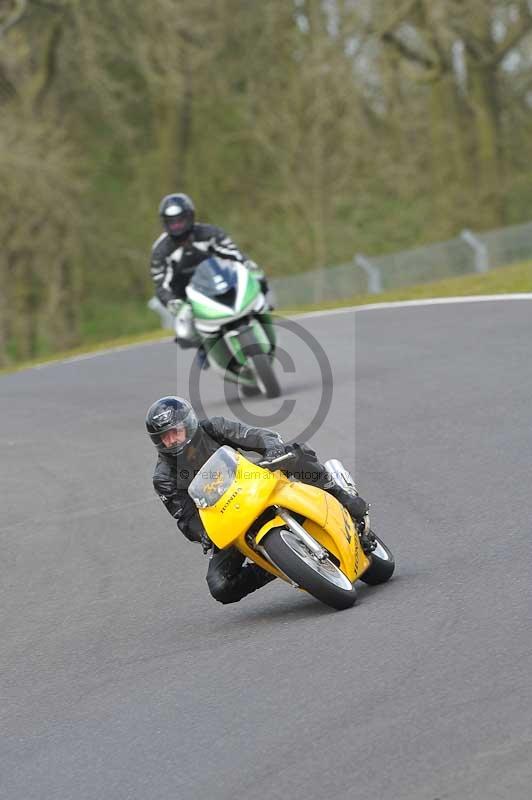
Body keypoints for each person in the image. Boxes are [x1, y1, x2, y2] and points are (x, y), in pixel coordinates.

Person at [146, 396, 369, 605]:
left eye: (175, 432)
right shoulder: (164, 477)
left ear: (189, 425)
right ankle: (278, 564)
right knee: (220, 585)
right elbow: (186, 518)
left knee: (294, 452)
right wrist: (203, 534)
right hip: (227, 517)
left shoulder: (212, 428)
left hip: (255, 482)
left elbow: (254, 435)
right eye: (164, 437)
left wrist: (271, 451)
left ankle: (342, 495)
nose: (171, 440)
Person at [149, 193, 269, 368]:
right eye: (172, 222)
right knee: (186, 332)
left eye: (180, 220)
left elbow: (235, 254)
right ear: (165, 224)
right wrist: (174, 303)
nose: (177, 227)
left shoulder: (210, 233)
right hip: (186, 294)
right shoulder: (160, 251)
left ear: (190, 216)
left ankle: (259, 316)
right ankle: (204, 346)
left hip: (220, 280)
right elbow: (161, 285)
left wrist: (250, 266)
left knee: (261, 281)